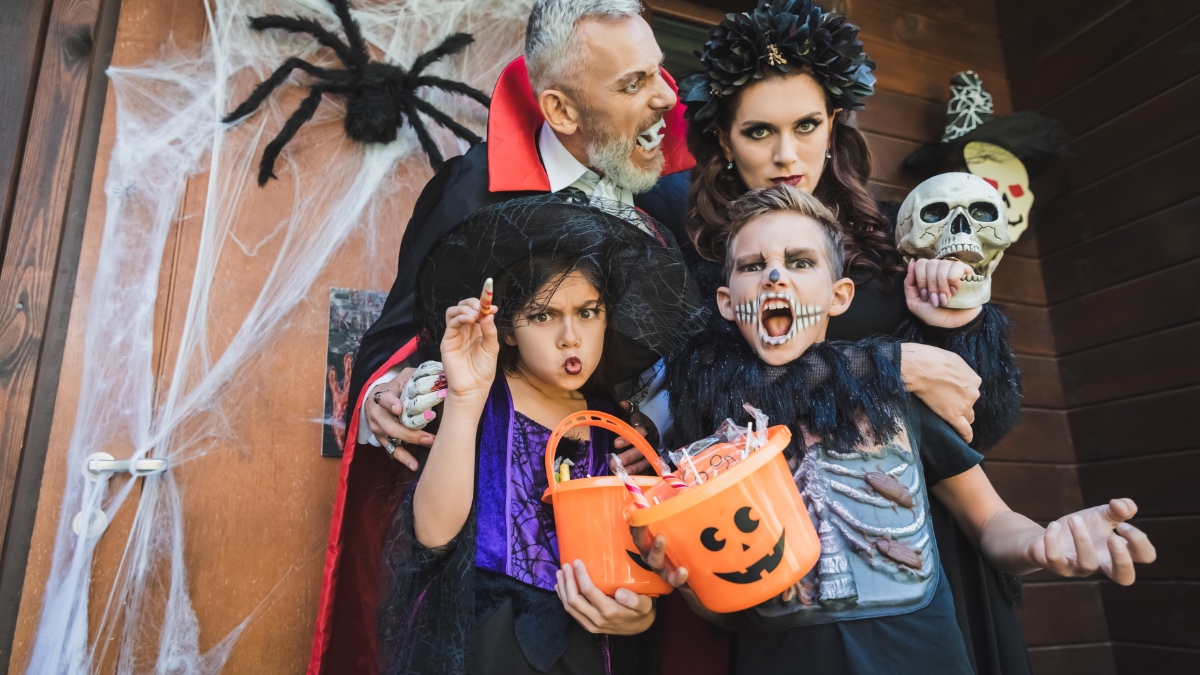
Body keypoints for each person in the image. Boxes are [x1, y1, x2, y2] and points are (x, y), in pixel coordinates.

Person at [634, 2, 1027, 672]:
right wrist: (888, 363)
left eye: (807, 125)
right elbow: (712, 399)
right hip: (796, 588)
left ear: (833, 125)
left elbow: (981, 422)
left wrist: (959, 319)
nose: (788, 154)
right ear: (725, 141)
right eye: (760, 131)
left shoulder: (894, 240)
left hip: (929, 556)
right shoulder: (707, 270)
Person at [309, 2, 693, 668]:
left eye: (660, 72)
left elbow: (676, 370)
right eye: (634, 84)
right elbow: (396, 339)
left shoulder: (667, 204)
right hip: (479, 573)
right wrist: (384, 393)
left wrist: (653, 437)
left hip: (605, 579)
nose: (666, 98)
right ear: (563, 111)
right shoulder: (470, 194)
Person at [642, 184, 1156, 675]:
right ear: (728, 303)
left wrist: (1044, 542)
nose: (775, 275)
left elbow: (989, 521)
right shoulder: (716, 444)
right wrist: (688, 587)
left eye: (800, 262)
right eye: (754, 266)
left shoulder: (892, 398)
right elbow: (725, 609)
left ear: (839, 295)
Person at [377, 195, 707, 674]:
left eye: (588, 312)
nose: (571, 336)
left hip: (588, 650)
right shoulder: (480, 398)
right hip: (483, 645)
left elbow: (633, 563)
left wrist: (639, 612)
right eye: (543, 316)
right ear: (508, 328)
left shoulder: (612, 426)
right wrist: (466, 402)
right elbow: (431, 535)